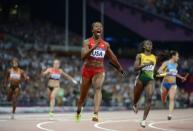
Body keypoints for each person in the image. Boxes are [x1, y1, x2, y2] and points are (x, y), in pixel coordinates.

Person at [76, 21, 124, 122]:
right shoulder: (87, 42)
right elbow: (82, 56)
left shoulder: (105, 44)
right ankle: (79, 110)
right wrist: (93, 47)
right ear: (92, 30)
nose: (99, 28)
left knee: (98, 87)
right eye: (97, 26)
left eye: (101, 27)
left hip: (99, 70)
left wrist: (119, 67)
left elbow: (113, 57)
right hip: (87, 70)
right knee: (82, 97)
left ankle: (95, 113)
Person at [132, 40, 156, 128]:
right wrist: (146, 64)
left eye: (151, 44)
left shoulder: (154, 57)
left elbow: (153, 70)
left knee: (149, 98)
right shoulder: (140, 56)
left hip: (150, 80)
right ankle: (134, 104)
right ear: (144, 46)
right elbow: (135, 68)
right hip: (140, 79)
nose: (149, 46)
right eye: (147, 44)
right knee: (136, 97)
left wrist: (159, 73)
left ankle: (143, 120)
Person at [157, 50, 187, 120]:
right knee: (163, 99)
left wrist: (181, 77)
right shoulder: (166, 63)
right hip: (165, 83)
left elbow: (174, 73)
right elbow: (159, 71)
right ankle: (164, 101)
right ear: (173, 56)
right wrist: (165, 72)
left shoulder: (176, 64)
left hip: (173, 84)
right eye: (177, 56)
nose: (178, 57)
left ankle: (170, 115)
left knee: (171, 98)